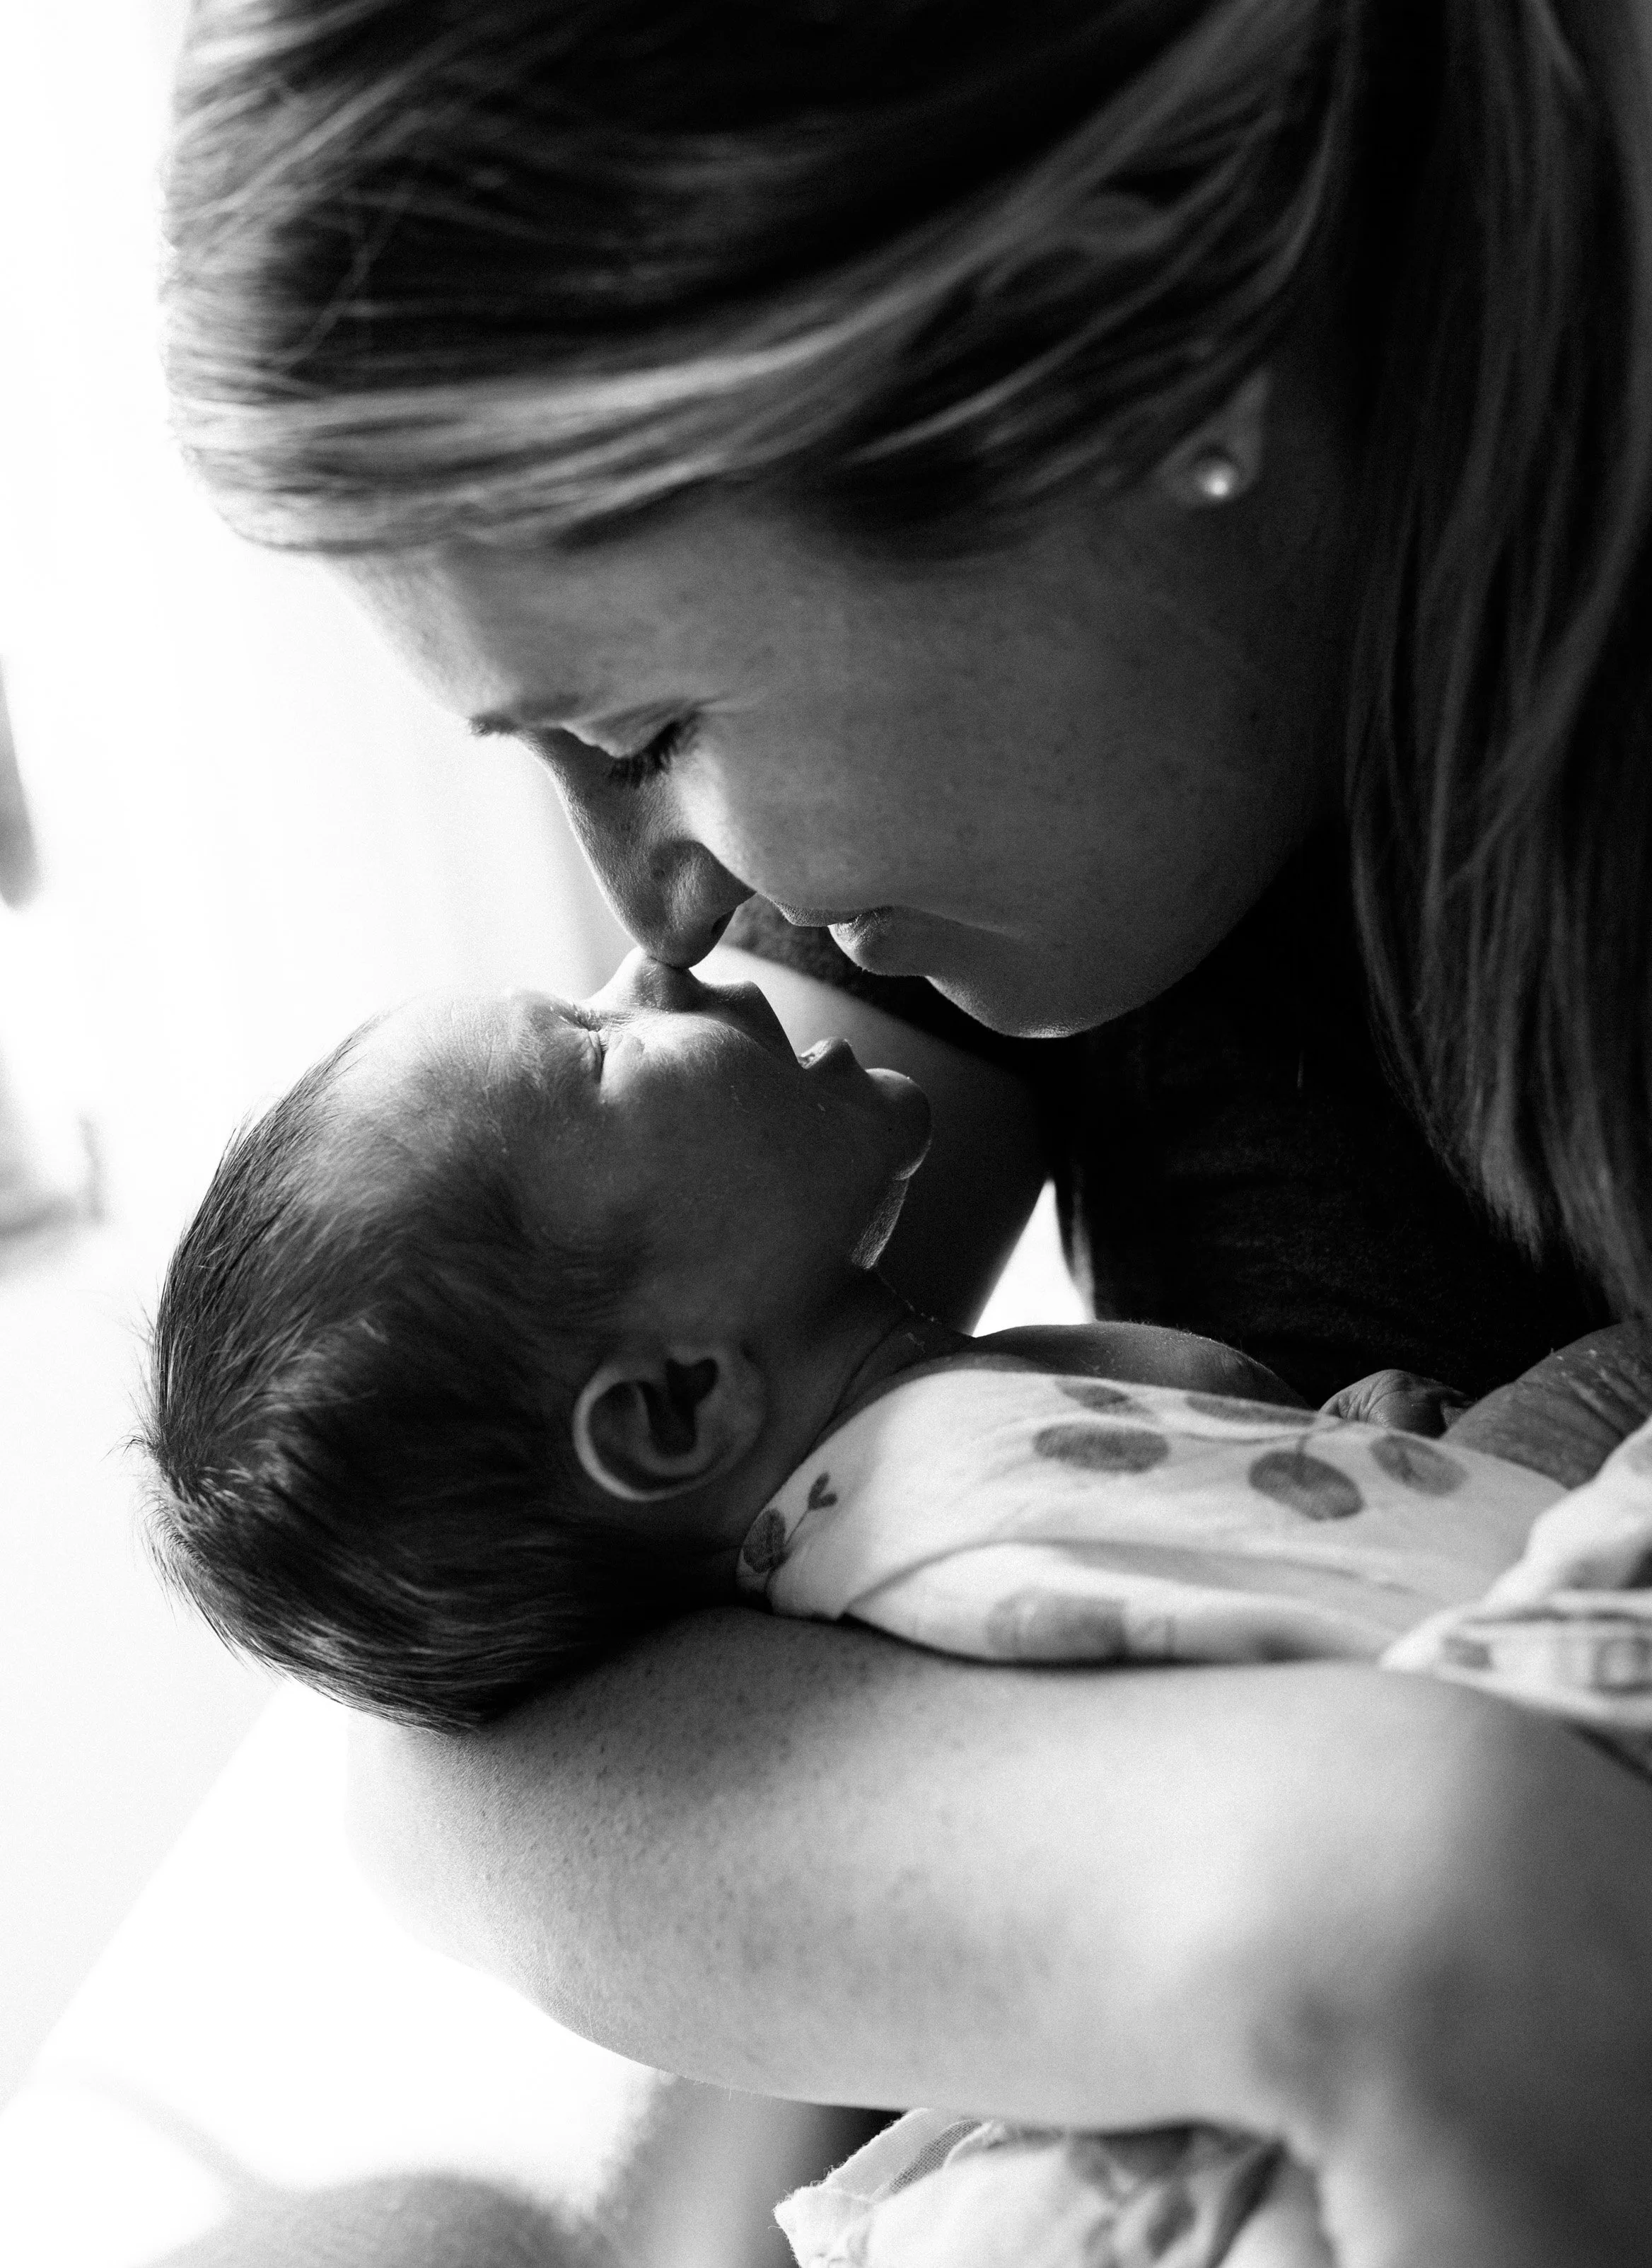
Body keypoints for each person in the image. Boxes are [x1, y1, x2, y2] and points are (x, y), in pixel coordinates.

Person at [161, 0, 1652, 2258]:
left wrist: (1412, 1912)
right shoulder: (937, 923)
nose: (659, 916)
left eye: (635, 725)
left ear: (1127, 349)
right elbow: (464, 1743)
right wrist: (1358, 1893)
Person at [136, 953, 1652, 2268]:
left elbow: (1257, 1561)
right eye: (593, 1052)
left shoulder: (947, 1471)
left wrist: (1365, 1451)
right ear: (671, 1405)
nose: (660, 963)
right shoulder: (930, 1525)